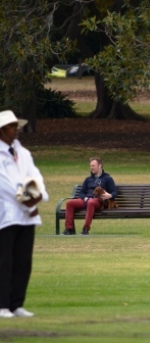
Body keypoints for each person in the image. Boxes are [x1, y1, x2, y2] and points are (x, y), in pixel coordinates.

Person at [0, 110, 49, 318]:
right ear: (2, 130)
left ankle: (16, 303)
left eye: (16, 126)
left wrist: (40, 196)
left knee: (23, 260)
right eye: (12, 127)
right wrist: (29, 204)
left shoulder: (24, 153)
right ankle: (2, 305)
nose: (16, 130)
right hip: (6, 214)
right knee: (5, 261)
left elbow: (35, 177)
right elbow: (5, 185)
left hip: (26, 216)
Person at [62, 157, 117, 235]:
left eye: (93, 166)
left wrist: (110, 195)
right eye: (90, 166)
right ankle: (69, 229)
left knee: (91, 202)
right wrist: (84, 197)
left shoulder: (108, 179)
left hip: (98, 201)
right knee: (69, 203)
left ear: (100, 166)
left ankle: (86, 229)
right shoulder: (88, 179)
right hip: (86, 200)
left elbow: (115, 192)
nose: (91, 167)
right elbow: (81, 193)